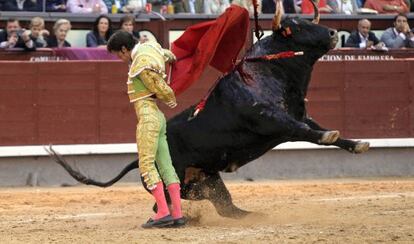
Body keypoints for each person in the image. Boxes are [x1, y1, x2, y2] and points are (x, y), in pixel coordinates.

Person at [107, 30, 185, 228]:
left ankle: (163, 212)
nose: (120, 58)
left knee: (147, 165)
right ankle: (177, 213)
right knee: (166, 165)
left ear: (124, 49)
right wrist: (171, 56)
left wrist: (169, 97)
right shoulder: (150, 47)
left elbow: (157, 84)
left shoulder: (140, 62)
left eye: (119, 54)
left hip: (148, 117)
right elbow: (166, 53)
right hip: (158, 118)